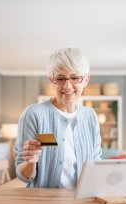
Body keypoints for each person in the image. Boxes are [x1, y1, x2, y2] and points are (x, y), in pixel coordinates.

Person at [14, 48, 102, 188]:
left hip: (82, 203)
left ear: (86, 80)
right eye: (60, 78)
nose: (67, 86)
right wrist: (30, 162)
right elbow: (22, 175)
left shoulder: (90, 117)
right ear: (52, 80)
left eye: (75, 77)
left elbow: (96, 162)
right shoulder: (34, 114)